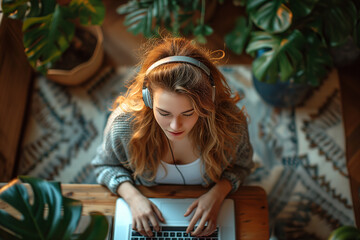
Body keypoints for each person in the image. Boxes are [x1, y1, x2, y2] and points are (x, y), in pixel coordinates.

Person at [91, 36, 254, 237]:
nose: (175, 126)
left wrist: (219, 193)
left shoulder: (232, 125)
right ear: (148, 98)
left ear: (207, 102)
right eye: (164, 113)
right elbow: (103, 165)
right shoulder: (124, 124)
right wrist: (132, 197)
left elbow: (243, 166)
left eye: (188, 113)